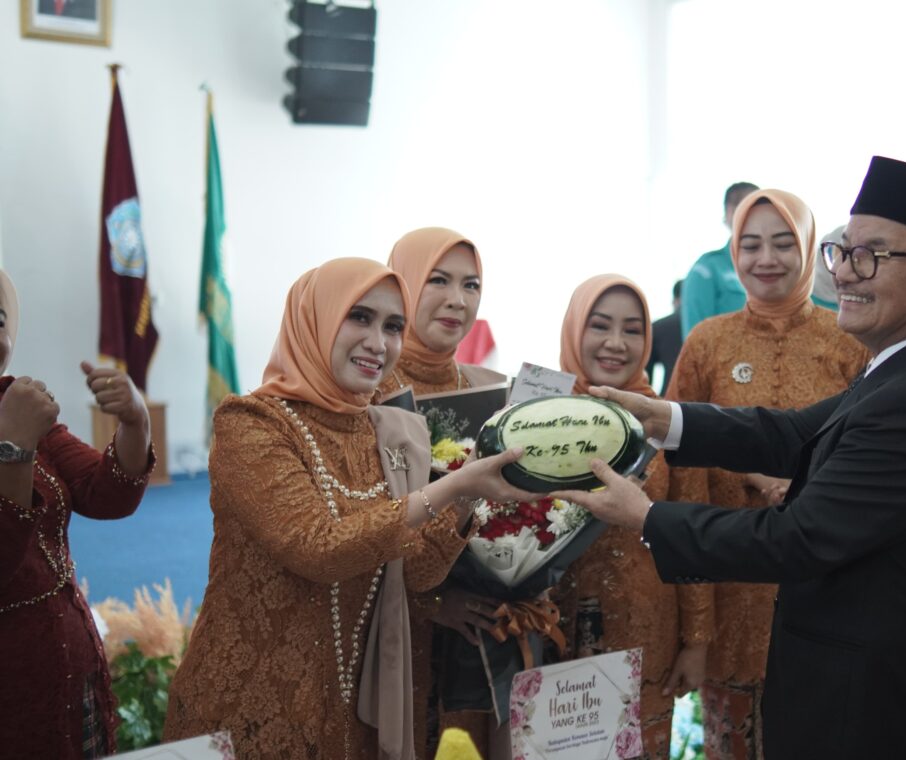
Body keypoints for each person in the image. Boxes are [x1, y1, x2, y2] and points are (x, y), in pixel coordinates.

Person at [554, 156, 906, 759]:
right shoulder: (904, 371)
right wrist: (667, 418)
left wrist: (647, 517)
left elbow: (797, 539)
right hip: (855, 695)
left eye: (872, 256)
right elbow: (792, 433)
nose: (845, 272)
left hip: (877, 713)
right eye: (842, 252)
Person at [164, 258, 533, 759]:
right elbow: (316, 547)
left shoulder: (385, 429)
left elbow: (418, 574)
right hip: (251, 702)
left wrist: (470, 494)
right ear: (314, 318)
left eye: (393, 326)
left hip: (350, 710)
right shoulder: (252, 423)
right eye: (359, 317)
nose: (378, 343)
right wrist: (447, 490)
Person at [662, 188, 867, 758]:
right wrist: (696, 625)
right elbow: (683, 475)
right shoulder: (707, 342)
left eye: (783, 243)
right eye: (749, 245)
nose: (766, 259)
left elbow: (864, 451)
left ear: (809, 248)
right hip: (729, 582)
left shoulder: (847, 340)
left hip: (827, 582)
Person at [0, 268, 154, 758]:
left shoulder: (15, 402)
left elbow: (108, 495)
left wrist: (135, 420)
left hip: (70, 667)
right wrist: (12, 446)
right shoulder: (18, 418)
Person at [374, 227, 509, 760]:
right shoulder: (370, 390)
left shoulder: (489, 389)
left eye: (471, 284)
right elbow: (355, 526)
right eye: (439, 280)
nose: (459, 299)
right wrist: (431, 601)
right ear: (401, 285)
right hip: (394, 634)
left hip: (477, 633)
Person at [553, 274, 691, 759]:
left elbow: (693, 531)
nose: (616, 343)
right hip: (552, 633)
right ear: (574, 328)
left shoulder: (664, 423)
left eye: (633, 330)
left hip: (646, 630)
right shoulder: (535, 414)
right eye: (600, 325)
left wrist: (695, 641)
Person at [680, 181, 759, 337]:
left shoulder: (774, 266)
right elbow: (695, 338)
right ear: (730, 212)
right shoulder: (707, 270)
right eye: (748, 209)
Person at [647, 280, 683, 394]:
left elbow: (646, 375)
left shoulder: (658, 327)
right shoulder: (711, 327)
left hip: (668, 399)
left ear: (675, 301)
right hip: (706, 405)